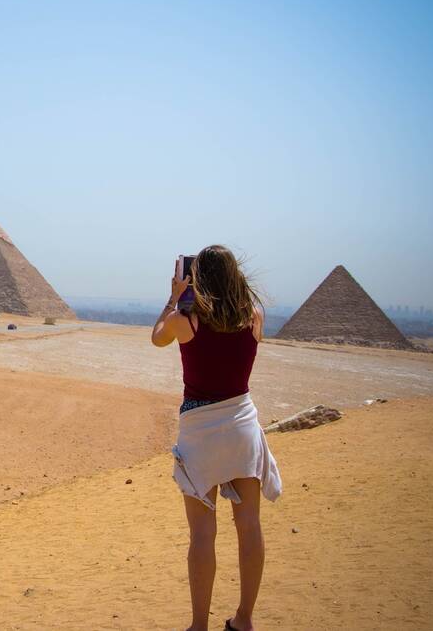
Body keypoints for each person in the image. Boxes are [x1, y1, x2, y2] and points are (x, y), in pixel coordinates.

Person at [150, 245, 282, 631]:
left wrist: (174, 297)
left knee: (203, 533)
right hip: (242, 427)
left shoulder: (184, 321)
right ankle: (244, 619)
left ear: (197, 278)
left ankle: (198, 626)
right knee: (249, 525)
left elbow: (156, 338)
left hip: (201, 432)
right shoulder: (254, 316)